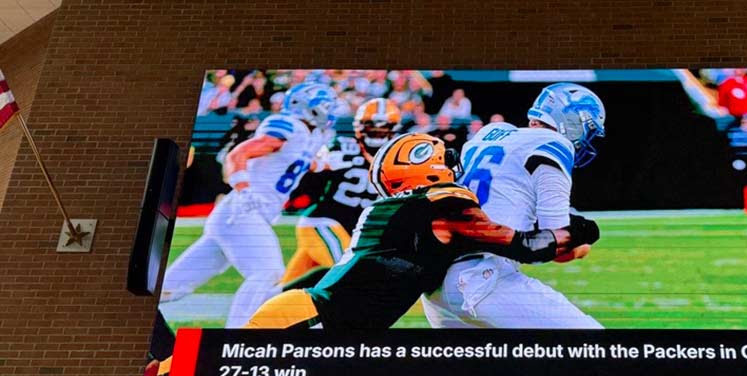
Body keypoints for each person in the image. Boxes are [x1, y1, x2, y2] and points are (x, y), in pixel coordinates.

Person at [244, 133, 599, 331]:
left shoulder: (388, 209)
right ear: (425, 169)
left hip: (304, 311)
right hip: (312, 322)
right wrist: (582, 229)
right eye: (443, 158)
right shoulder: (443, 207)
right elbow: (528, 247)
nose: (451, 164)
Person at [420, 82, 622, 376]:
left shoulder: (490, 133)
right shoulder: (553, 143)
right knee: (598, 351)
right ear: (571, 122)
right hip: (482, 278)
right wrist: (581, 245)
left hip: (435, 284)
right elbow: (556, 244)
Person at [160, 83, 340, 327]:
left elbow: (301, 164)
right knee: (268, 272)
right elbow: (237, 155)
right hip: (243, 211)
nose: (329, 112)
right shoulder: (289, 126)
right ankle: (238, 336)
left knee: (172, 287)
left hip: (236, 216)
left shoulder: (310, 136)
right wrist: (244, 189)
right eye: (325, 106)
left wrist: (329, 162)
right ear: (307, 107)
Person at [279, 98, 403, 288]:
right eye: (371, 126)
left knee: (283, 291)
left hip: (351, 233)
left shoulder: (399, 157)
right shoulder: (341, 147)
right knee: (351, 274)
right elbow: (310, 178)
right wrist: (320, 166)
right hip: (323, 223)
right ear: (359, 126)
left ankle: (262, 308)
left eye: (383, 127)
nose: (377, 131)